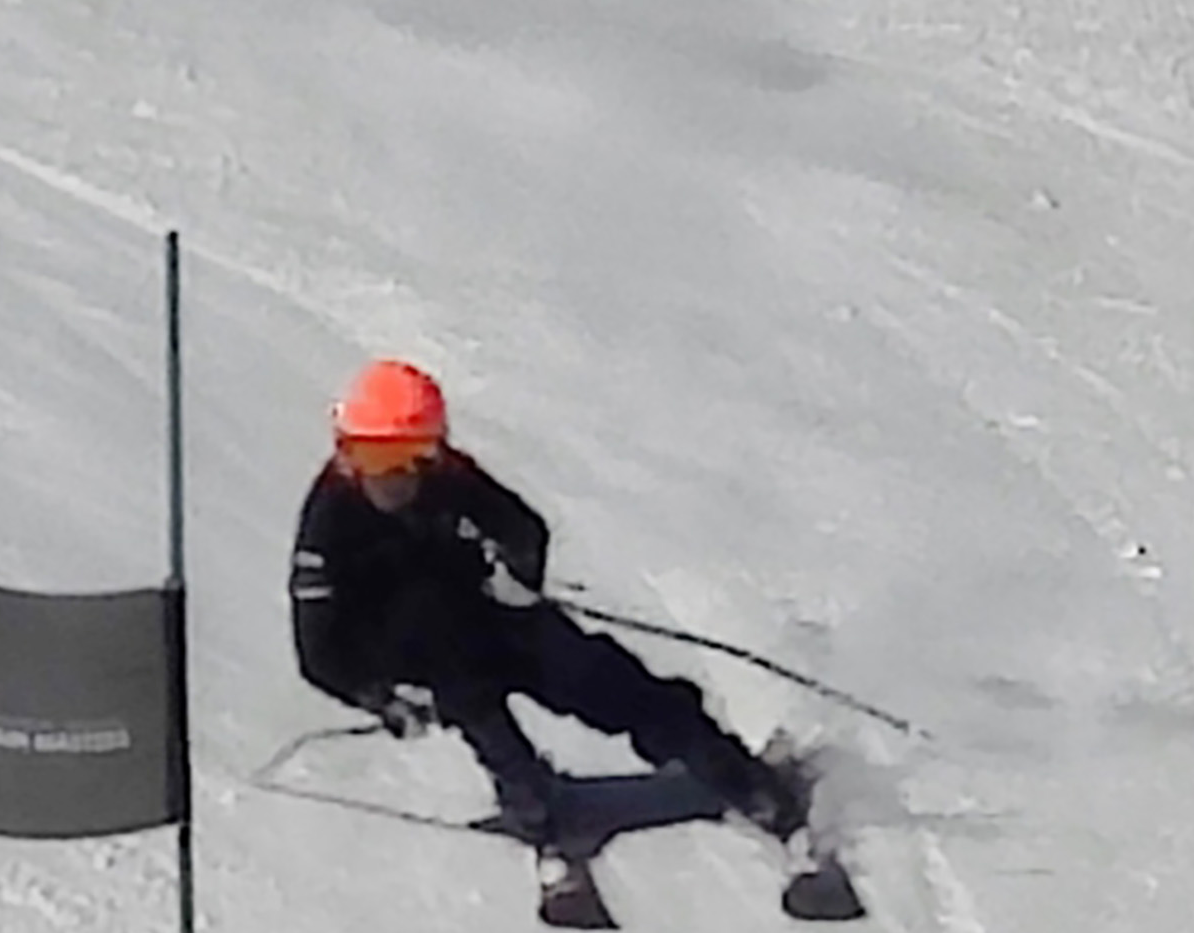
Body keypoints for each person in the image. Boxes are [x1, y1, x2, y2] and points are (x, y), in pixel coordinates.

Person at [288, 358, 807, 848]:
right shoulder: (327, 525)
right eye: (372, 456)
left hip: (500, 622)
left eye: (413, 454)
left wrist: (520, 580)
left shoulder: (448, 477)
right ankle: (534, 807)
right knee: (482, 718)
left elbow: (520, 527)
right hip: (427, 659)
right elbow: (318, 653)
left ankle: (745, 782)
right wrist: (383, 700)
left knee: (621, 688)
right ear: (345, 452)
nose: (392, 476)